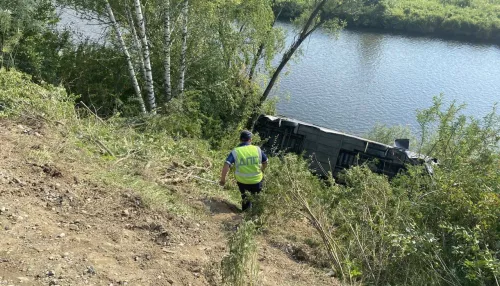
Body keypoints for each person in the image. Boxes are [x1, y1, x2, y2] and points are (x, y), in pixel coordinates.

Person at [219, 130, 268, 211]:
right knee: (257, 200)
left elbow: (226, 164)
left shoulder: (236, 151)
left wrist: (223, 180)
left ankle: (244, 214)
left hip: (242, 182)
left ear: (240, 140)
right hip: (257, 180)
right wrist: (262, 169)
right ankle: (254, 216)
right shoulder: (257, 149)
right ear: (250, 140)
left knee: (245, 199)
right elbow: (265, 162)